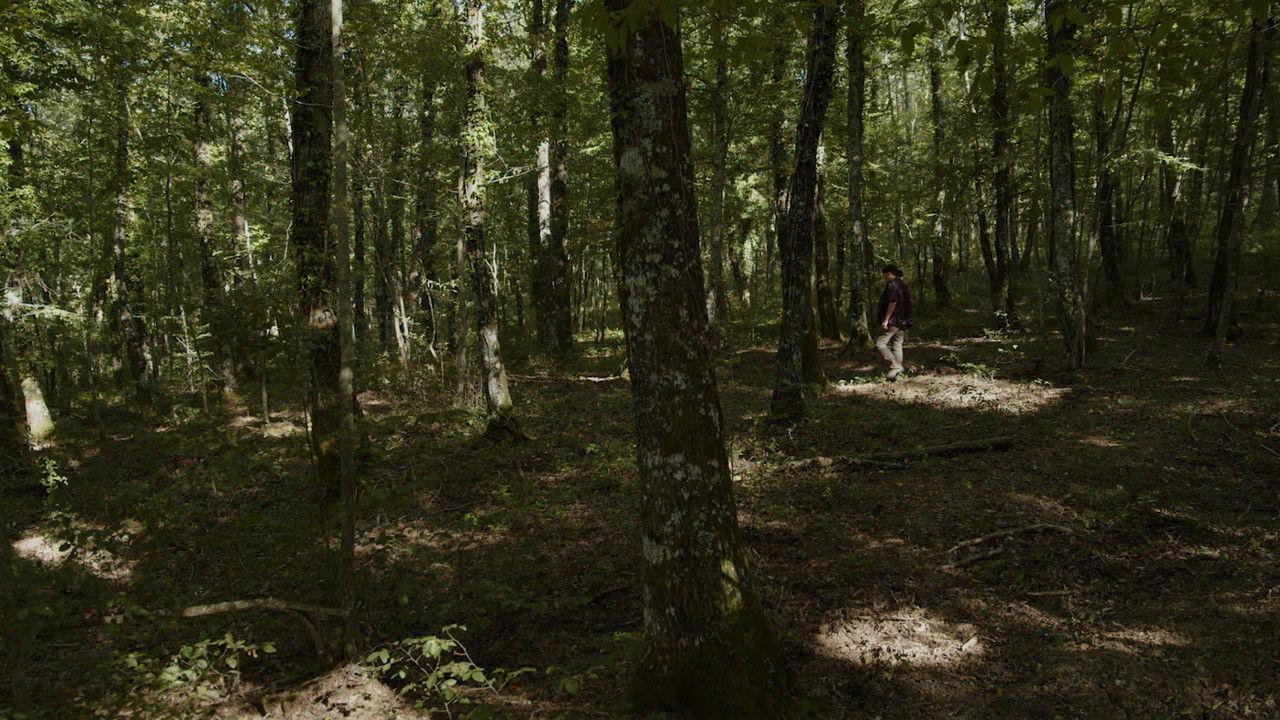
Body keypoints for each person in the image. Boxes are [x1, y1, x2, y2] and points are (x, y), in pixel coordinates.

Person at [875, 264, 912, 381]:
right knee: (897, 344)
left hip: (894, 320)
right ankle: (898, 375)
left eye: (884, 275)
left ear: (889, 273)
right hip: (902, 320)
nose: (884, 277)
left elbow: (892, 302)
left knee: (880, 343)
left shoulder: (893, 285)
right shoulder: (901, 284)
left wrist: (886, 320)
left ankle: (895, 366)